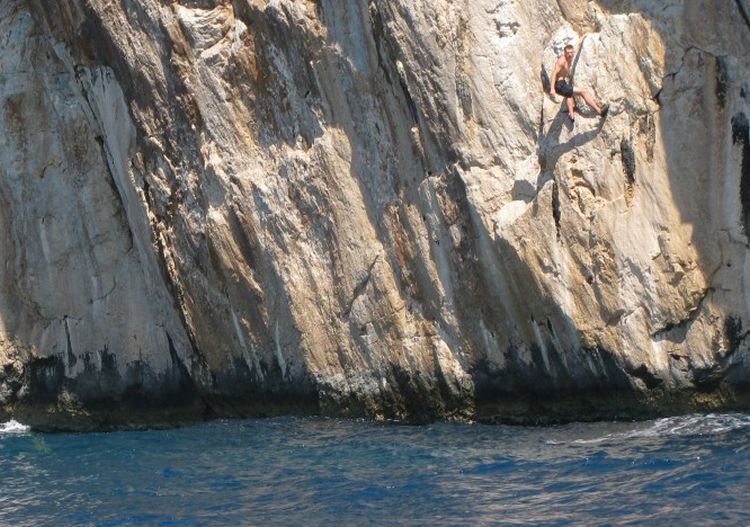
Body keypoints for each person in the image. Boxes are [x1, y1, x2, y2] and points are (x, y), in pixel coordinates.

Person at [549, 36, 608, 121]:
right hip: (559, 85)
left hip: (562, 84)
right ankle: (599, 111)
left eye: (571, 53)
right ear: (564, 53)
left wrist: (585, 35)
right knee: (583, 91)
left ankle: (571, 116)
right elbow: (554, 73)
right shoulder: (562, 61)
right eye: (567, 53)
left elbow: (578, 44)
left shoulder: (571, 54)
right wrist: (552, 89)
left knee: (568, 95)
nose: (569, 55)